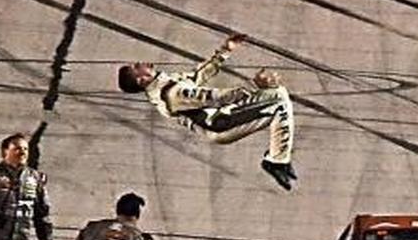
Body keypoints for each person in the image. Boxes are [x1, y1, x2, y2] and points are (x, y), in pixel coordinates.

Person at [117, 33, 299, 191]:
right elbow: (215, 97)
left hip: (222, 115)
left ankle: (278, 159)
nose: (140, 63)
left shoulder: (165, 83)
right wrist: (253, 86)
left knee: (279, 94)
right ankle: (276, 161)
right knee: (278, 104)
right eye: (135, 67)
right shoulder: (170, 94)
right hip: (220, 124)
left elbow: (197, 76)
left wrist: (225, 50)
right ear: (141, 80)